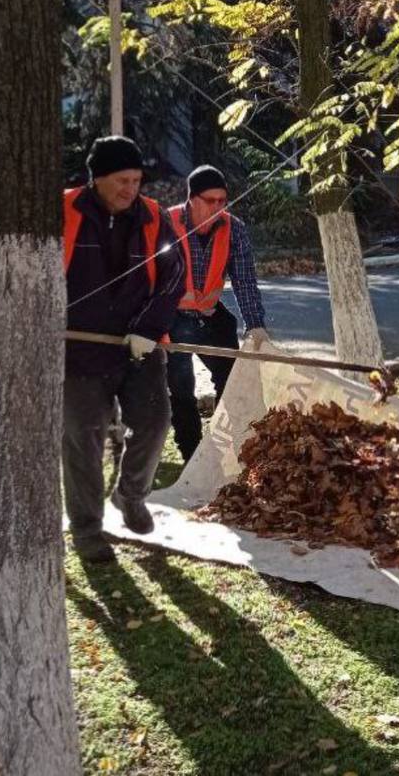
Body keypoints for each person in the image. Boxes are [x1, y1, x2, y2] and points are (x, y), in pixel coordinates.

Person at [63, 135, 182, 564]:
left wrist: (150, 328)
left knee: (154, 422)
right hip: (78, 351)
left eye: (136, 179)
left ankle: (130, 496)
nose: (130, 189)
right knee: (84, 439)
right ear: (97, 179)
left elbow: (173, 274)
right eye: (121, 180)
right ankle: (87, 530)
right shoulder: (65, 211)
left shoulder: (152, 216)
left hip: (139, 347)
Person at [165, 164, 269, 462]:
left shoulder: (233, 228)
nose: (217, 207)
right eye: (210, 201)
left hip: (211, 317)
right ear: (192, 200)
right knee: (181, 389)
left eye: (223, 201)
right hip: (173, 320)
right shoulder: (166, 223)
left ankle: (234, 446)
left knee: (232, 378)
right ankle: (193, 455)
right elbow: (147, 278)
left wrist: (255, 324)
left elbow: (245, 279)